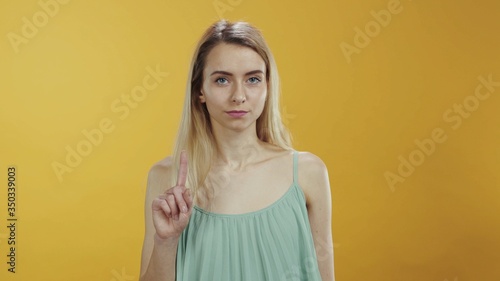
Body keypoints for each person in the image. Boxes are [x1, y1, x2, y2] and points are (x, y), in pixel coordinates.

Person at [139, 20, 335, 281]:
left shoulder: (308, 173)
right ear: (200, 90)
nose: (238, 96)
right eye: (222, 80)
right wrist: (166, 241)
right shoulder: (167, 178)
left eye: (253, 79)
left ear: (268, 86)